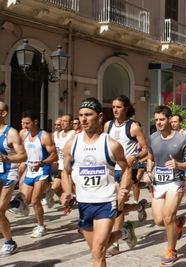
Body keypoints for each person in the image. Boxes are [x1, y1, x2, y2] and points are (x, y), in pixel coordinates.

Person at [60, 98, 136, 267]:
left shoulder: (111, 144)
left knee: (97, 251)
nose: (83, 119)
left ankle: (122, 232)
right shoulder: (72, 144)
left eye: (88, 114)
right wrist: (66, 191)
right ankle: (124, 232)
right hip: (84, 203)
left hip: (106, 202)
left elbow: (126, 170)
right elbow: (65, 171)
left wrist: (123, 189)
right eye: (81, 115)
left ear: (100, 116)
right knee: (97, 248)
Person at [142, 105, 186, 265]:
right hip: (158, 182)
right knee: (159, 220)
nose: (158, 122)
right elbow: (150, 157)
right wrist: (148, 172)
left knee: (167, 216)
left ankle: (171, 251)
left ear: (170, 120)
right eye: (156, 119)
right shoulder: (152, 138)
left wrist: (178, 165)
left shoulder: (181, 140)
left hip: (176, 181)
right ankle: (178, 223)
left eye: (162, 119)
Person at [103, 95, 148, 257]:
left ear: (126, 108)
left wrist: (134, 157)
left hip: (128, 169)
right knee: (115, 205)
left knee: (117, 204)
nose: (115, 110)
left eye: (118, 107)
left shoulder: (133, 127)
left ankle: (115, 243)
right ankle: (139, 206)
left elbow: (145, 149)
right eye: (113, 107)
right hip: (110, 170)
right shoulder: (107, 125)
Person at [14, 110, 58, 238]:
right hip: (29, 169)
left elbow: (53, 155)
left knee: (35, 201)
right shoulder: (23, 134)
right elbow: (20, 150)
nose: (24, 126)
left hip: (42, 170)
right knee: (25, 200)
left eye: (27, 123)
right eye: (22, 123)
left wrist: (42, 163)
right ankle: (49, 192)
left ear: (35, 122)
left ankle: (41, 226)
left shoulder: (43, 136)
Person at [0, 102, 28, 257]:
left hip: (8, 173)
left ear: (3, 113)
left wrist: (6, 158)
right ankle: (17, 203)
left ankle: (10, 243)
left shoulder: (11, 133)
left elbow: (23, 156)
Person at [48, 114, 77, 213]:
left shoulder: (73, 134)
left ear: (71, 123)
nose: (62, 123)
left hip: (70, 165)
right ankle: (70, 200)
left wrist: (68, 150)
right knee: (55, 188)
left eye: (65, 121)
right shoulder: (57, 135)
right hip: (60, 164)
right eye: (62, 121)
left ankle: (75, 200)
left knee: (71, 189)